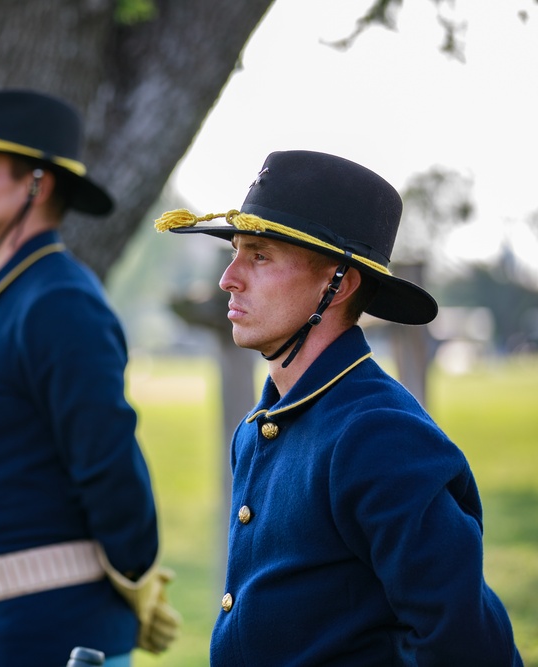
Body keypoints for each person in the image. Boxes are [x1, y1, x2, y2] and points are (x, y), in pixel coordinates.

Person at [155, 149, 523, 666]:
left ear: (338, 284)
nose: (229, 278)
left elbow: (467, 644)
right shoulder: (263, 426)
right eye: (236, 252)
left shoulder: (376, 433)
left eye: (259, 255)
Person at [0, 89, 180, 667]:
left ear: (37, 183)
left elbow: (107, 464)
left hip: (54, 635)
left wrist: (135, 571)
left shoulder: (57, 301)